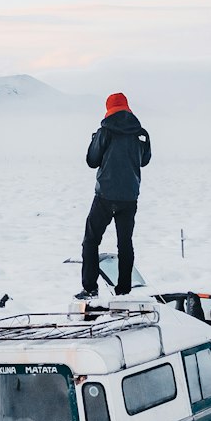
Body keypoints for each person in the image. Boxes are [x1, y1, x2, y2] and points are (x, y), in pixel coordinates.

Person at [77, 93, 152, 299]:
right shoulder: (141, 133)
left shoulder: (105, 131)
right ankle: (124, 290)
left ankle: (90, 288)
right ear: (127, 108)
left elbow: (92, 161)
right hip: (129, 197)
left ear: (108, 109)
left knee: (91, 241)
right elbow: (144, 160)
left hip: (105, 196)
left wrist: (95, 140)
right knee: (125, 243)